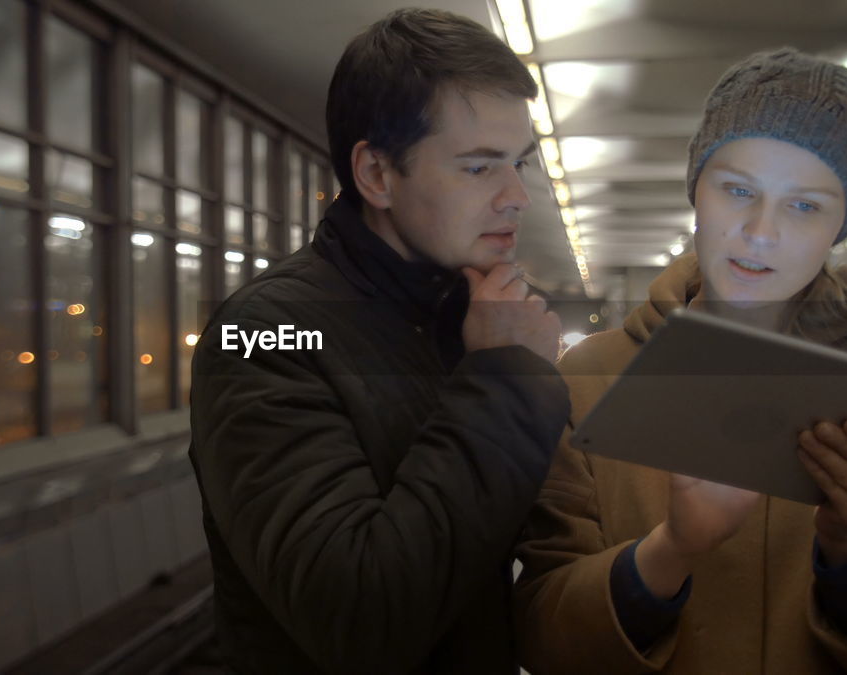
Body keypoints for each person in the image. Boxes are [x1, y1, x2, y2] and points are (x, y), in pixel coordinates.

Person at [514, 48, 847, 674]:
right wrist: (670, 551)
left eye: (805, 205)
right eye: (738, 189)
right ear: (697, 190)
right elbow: (541, 633)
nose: (760, 231)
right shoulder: (588, 381)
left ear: (841, 225)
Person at [189, 8, 570, 674]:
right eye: (480, 168)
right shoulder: (264, 334)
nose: (517, 197)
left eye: (520, 164)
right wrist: (506, 379)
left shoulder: (469, 318)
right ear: (376, 175)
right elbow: (361, 617)